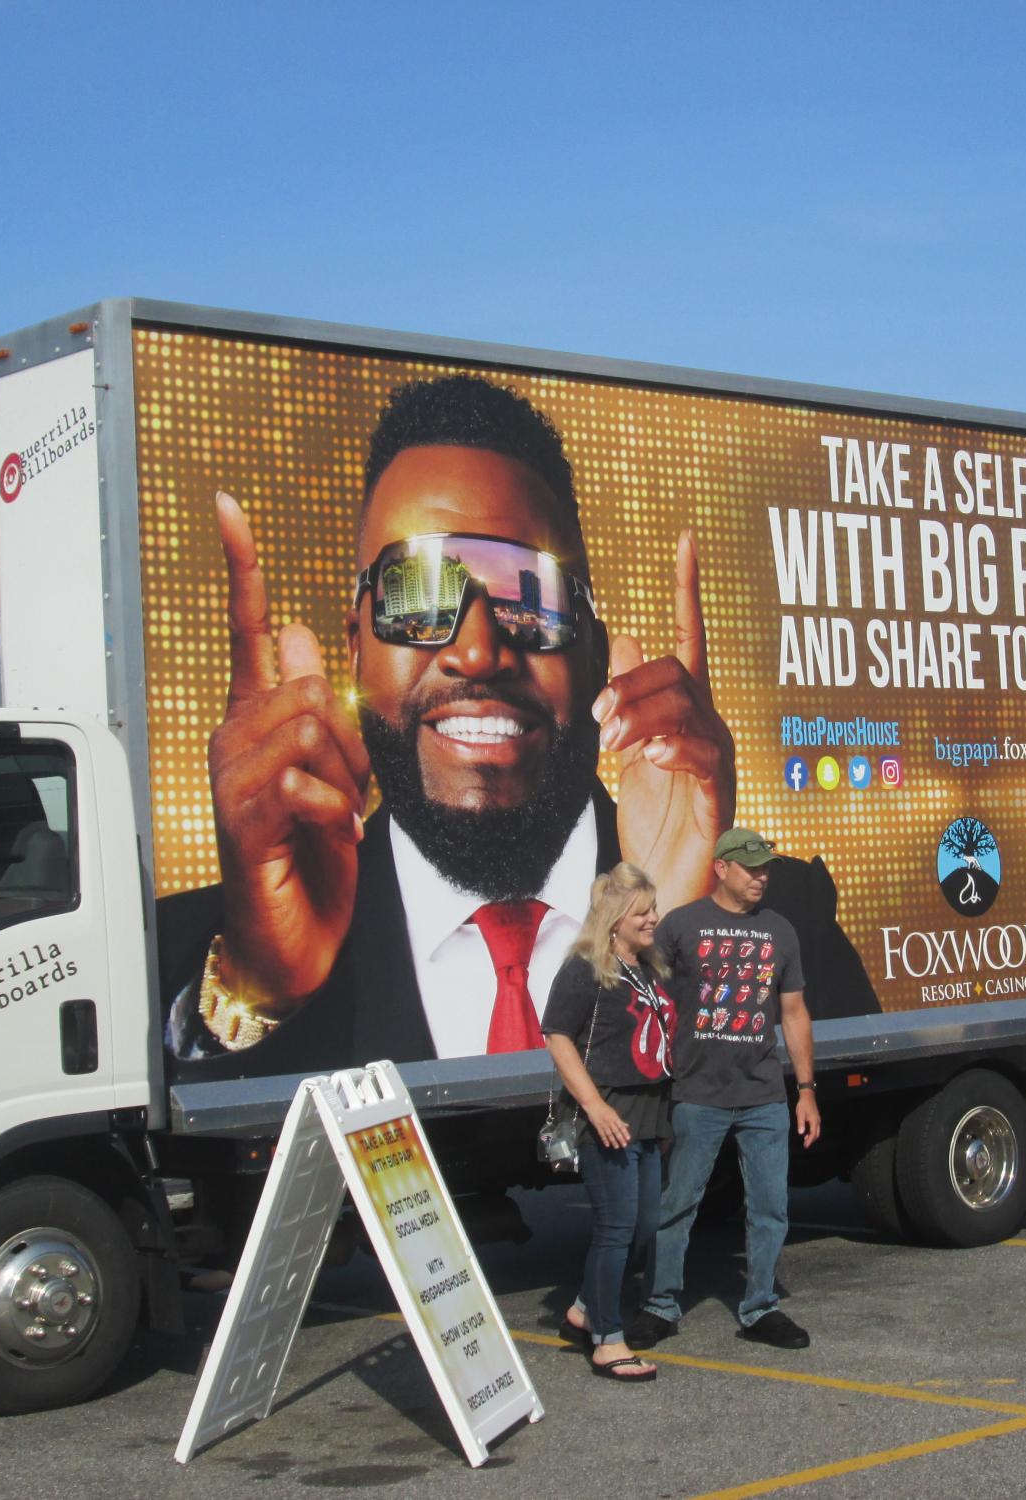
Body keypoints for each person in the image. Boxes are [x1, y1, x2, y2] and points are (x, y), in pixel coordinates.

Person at [158, 374, 876, 1077]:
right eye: (418, 594)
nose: (477, 651)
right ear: (355, 648)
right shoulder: (207, 950)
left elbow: (846, 1166)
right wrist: (260, 991)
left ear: (596, 652)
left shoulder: (778, 921)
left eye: (531, 595)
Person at [628, 828, 820, 1350]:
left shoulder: (780, 931)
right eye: (750, 867)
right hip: (697, 1094)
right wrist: (653, 1089)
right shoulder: (681, 926)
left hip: (763, 1094)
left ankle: (761, 1307)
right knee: (678, 1204)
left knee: (770, 1206)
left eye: (765, 868)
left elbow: (794, 1012)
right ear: (720, 867)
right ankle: (660, 1304)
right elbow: (650, 1008)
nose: (761, 877)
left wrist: (805, 1089)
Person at [543, 862, 676, 1383]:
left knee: (642, 1226)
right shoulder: (585, 967)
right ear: (616, 918)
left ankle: (583, 1308)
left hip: (647, 1116)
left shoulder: (647, 967)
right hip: (608, 1116)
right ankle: (607, 1341)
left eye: (653, 909)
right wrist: (596, 1107)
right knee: (617, 1228)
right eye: (643, 911)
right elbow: (557, 1036)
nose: (653, 919)